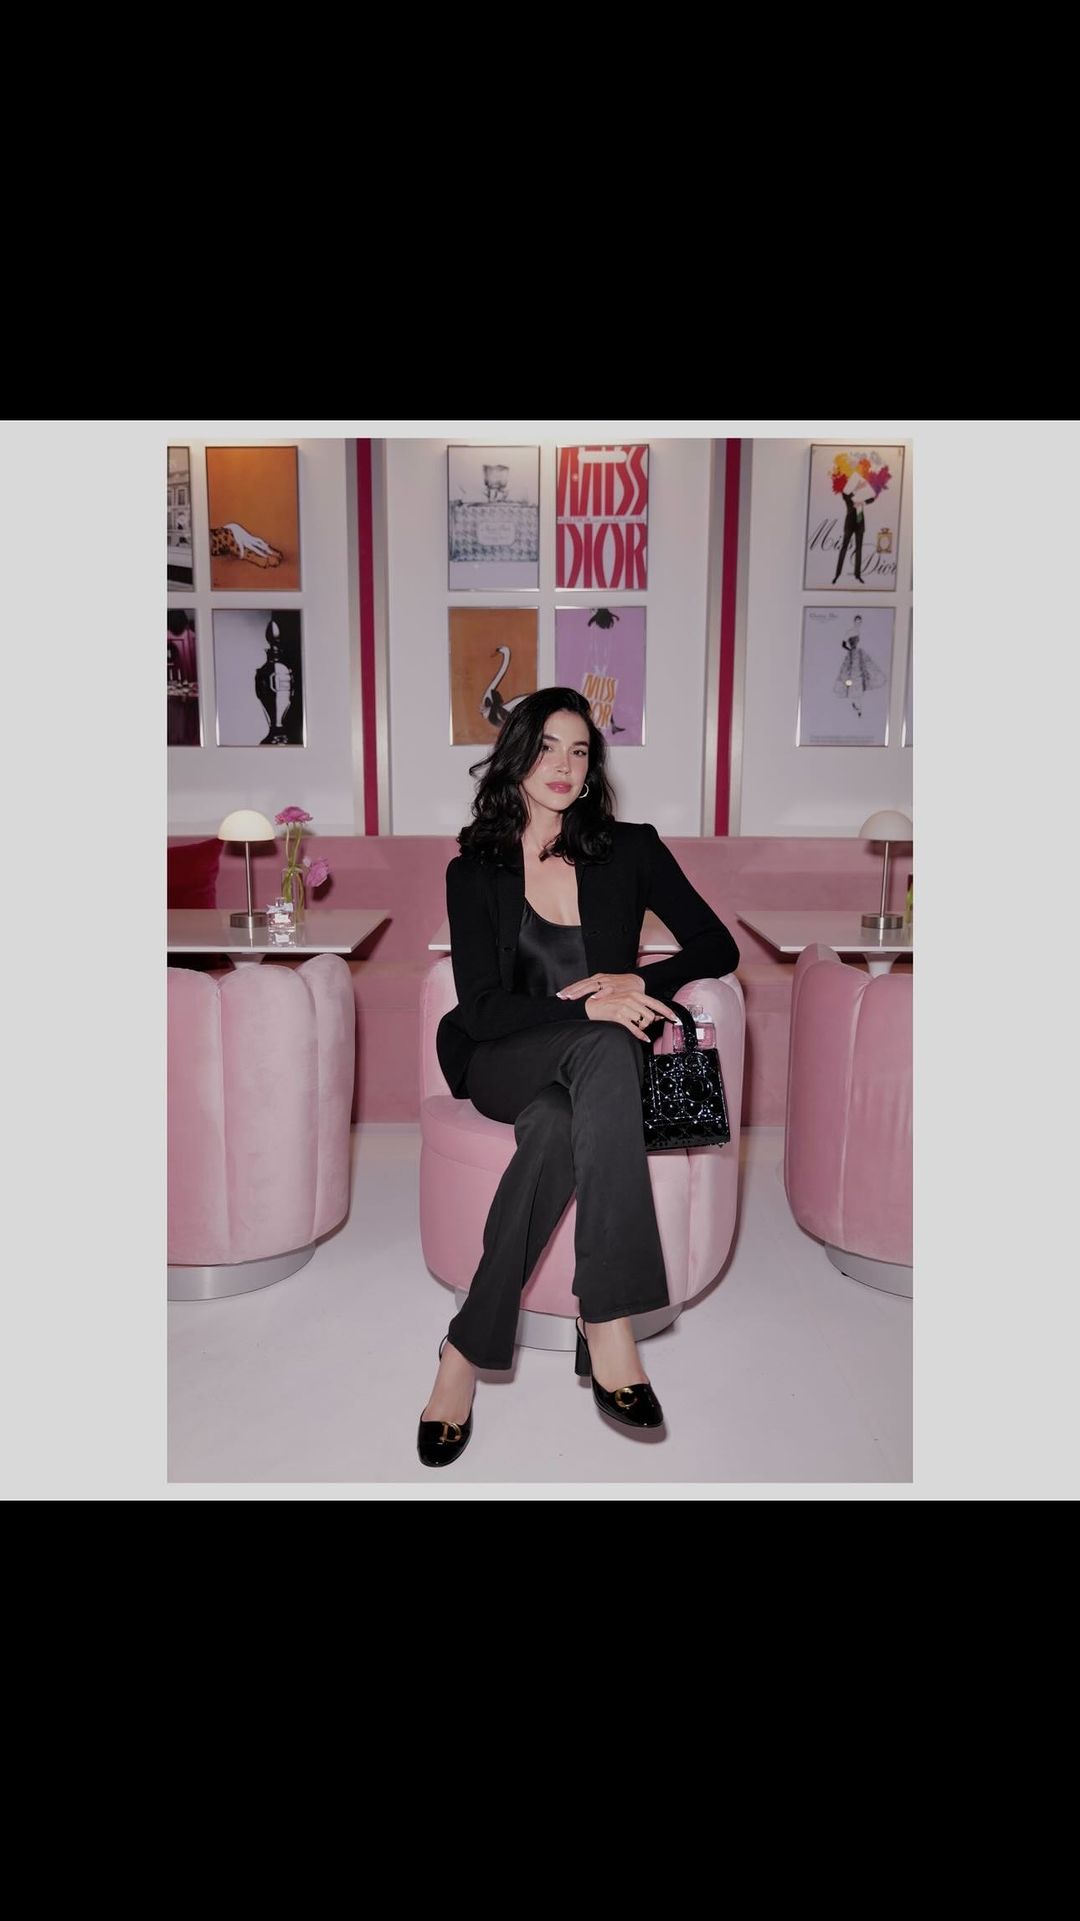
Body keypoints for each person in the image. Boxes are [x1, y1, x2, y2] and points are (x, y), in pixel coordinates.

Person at [418, 687, 740, 1467]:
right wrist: (585, 1007)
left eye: (580, 751)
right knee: (601, 1045)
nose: (563, 765)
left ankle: (463, 1350)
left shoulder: (630, 850)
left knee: (568, 1114)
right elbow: (483, 1007)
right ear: (517, 756)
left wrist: (637, 982)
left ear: (593, 767)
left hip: (596, 1074)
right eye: (547, 747)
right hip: (504, 1058)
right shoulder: (475, 869)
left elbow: (716, 944)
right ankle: (610, 1320)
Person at [833, 616, 886, 718]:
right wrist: (850, 650)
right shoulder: (849, 632)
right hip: (852, 656)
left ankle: (858, 704)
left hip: (859, 654)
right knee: (851, 677)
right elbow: (843, 644)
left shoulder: (861, 632)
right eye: (857, 622)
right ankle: (856, 703)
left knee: (861, 677)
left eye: (860, 622)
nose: (858, 624)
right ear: (854, 622)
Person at [832, 484, 873, 583]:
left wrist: (863, 502)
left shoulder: (862, 492)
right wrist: (856, 489)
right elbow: (846, 497)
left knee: (859, 549)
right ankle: (837, 574)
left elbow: (872, 498)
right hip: (850, 523)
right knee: (844, 548)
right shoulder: (846, 492)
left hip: (859, 522)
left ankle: (857, 575)